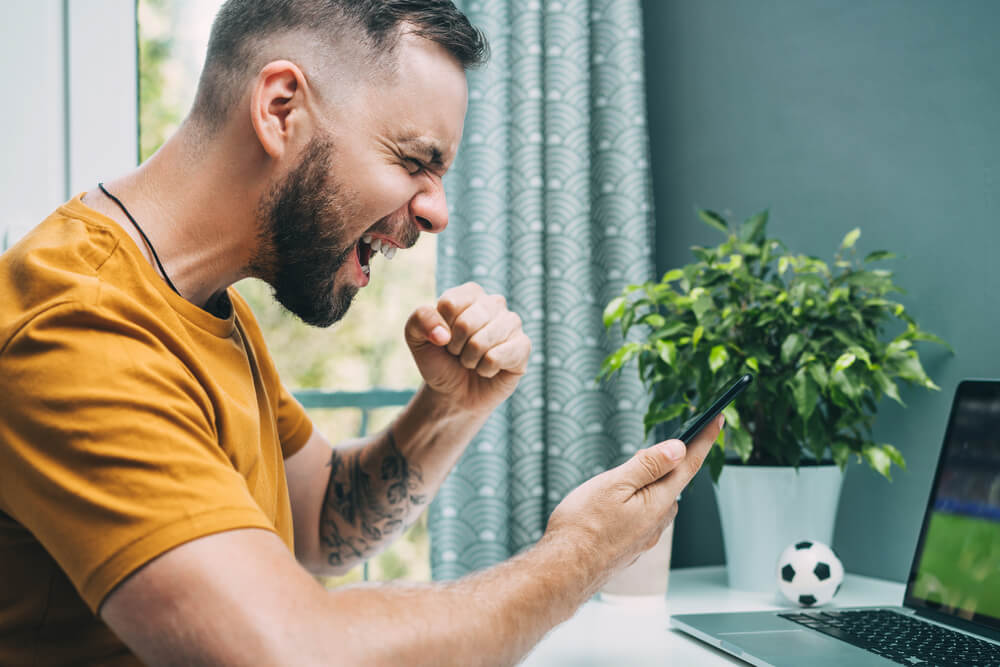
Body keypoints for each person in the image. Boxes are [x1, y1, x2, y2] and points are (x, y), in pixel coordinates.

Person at [0, 0, 722, 663]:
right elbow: (288, 652)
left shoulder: (206, 305)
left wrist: (451, 407)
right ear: (281, 108)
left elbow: (321, 521)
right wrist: (583, 554)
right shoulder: (79, 320)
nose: (437, 212)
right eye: (414, 161)